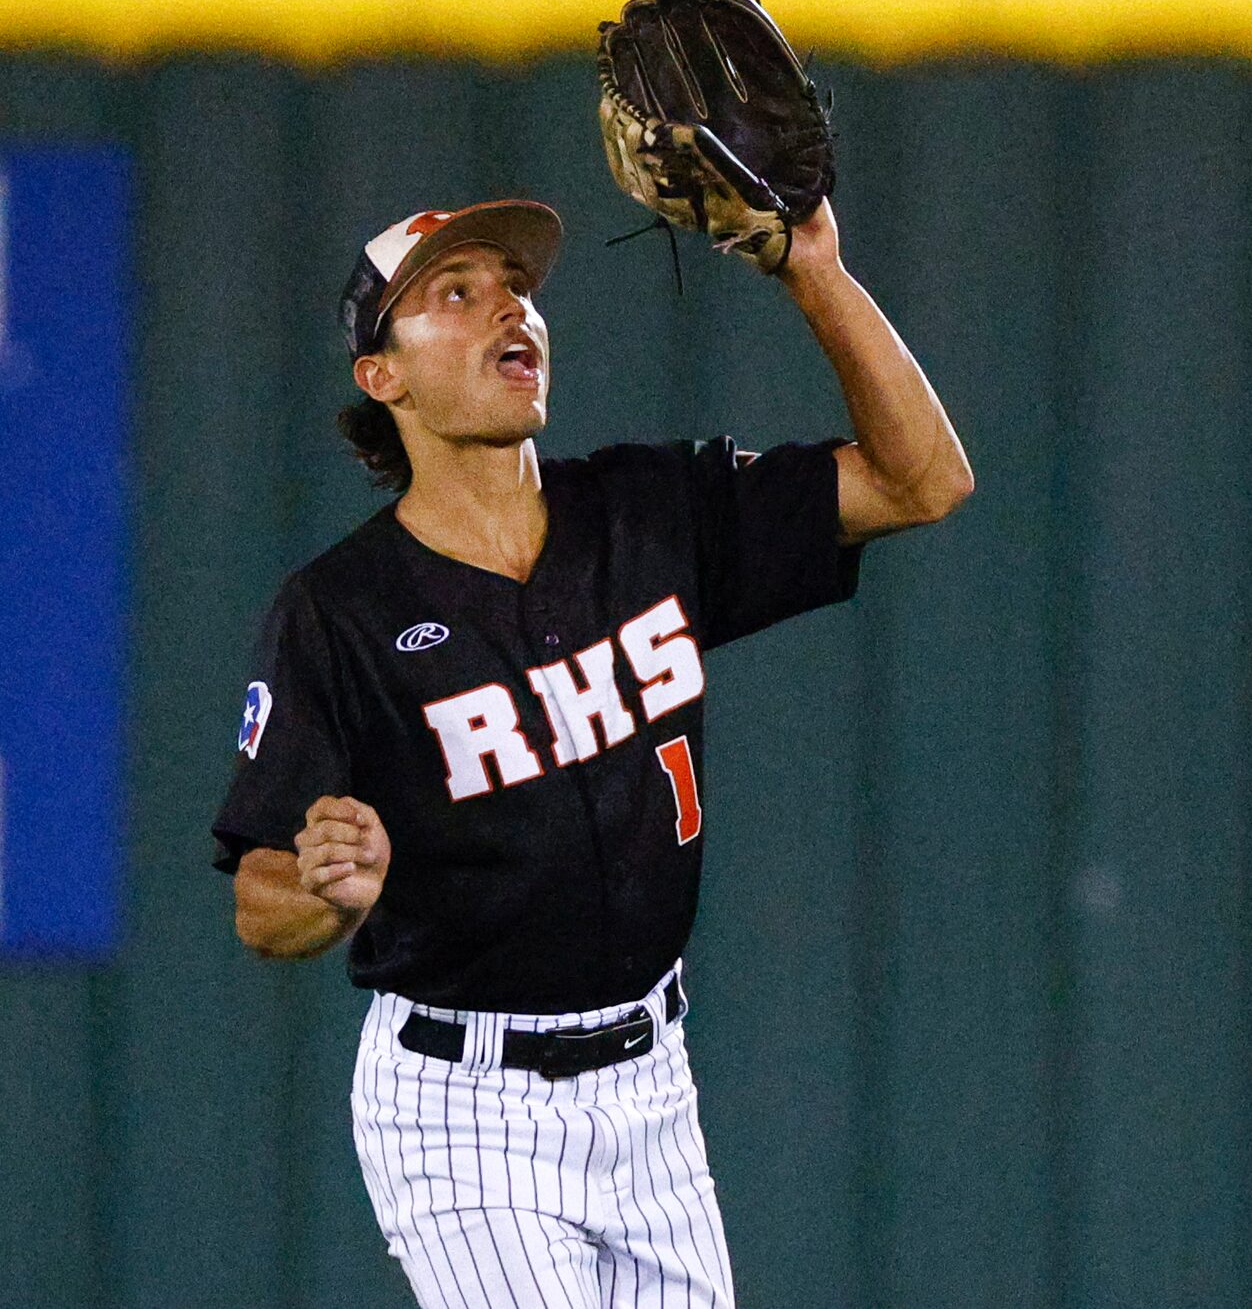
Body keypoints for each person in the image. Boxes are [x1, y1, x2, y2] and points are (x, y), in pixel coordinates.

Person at [212, 192, 973, 1309]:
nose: (507, 308)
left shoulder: (650, 510)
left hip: (653, 1085)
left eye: (516, 288)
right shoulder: (340, 609)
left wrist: (814, 269)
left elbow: (924, 482)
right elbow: (261, 903)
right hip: (462, 1103)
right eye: (455, 295)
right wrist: (328, 890)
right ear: (384, 376)